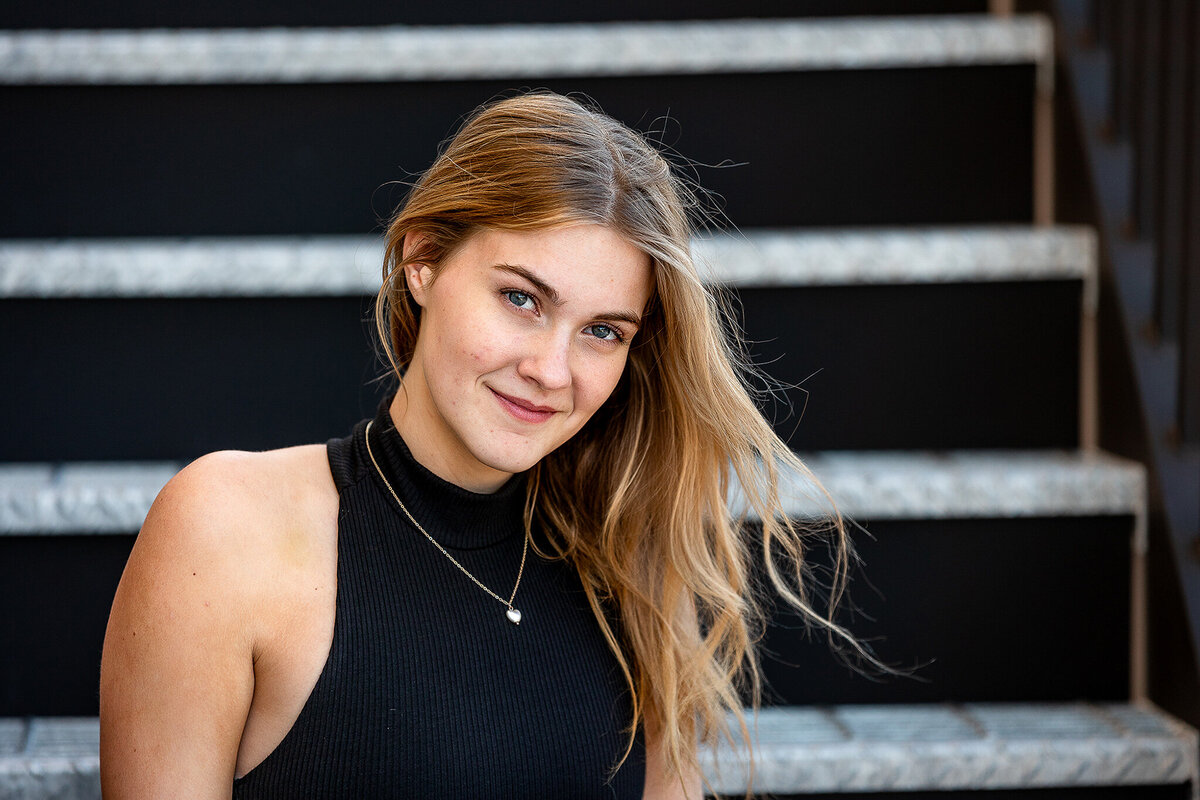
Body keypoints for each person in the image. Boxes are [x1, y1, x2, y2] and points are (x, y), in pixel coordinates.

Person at [99, 91, 862, 799]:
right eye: (521, 298)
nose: (551, 371)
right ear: (422, 260)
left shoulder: (626, 554)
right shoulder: (228, 528)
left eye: (603, 331)